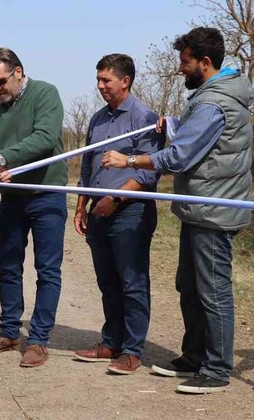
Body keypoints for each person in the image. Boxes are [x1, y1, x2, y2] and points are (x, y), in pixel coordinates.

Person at [103, 27, 252, 393]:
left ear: (205, 62)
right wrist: (173, 124)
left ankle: (216, 369)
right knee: (189, 285)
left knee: (212, 291)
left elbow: (179, 156)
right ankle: (194, 356)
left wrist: (129, 161)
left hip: (213, 211)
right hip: (197, 208)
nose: (181, 68)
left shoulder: (213, 103)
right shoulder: (210, 97)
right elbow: (197, 137)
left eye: (185, 62)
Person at [0, 47, 68, 368]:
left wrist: (3, 159)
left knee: (48, 268)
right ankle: (9, 332)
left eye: (0, 82)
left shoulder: (45, 94)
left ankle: (39, 340)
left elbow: (45, 138)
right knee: (9, 264)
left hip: (47, 193)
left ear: (18, 72)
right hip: (12, 197)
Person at [73, 54, 161, 375]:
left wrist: (115, 198)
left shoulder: (145, 118)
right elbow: (87, 165)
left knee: (132, 283)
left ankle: (132, 351)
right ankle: (110, 342)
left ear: (125, 81)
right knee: (107, 282)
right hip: (97, 212)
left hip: (130, 213)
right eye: (98, 79)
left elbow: (150, 171)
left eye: (106, 80)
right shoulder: (97, 119)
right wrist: (81, 205)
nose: (100, 86)